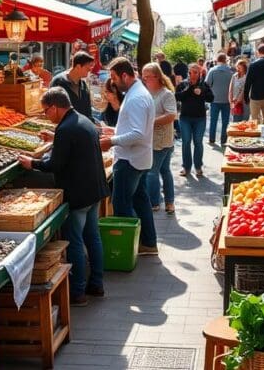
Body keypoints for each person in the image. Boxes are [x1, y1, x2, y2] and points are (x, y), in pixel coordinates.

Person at [18, 87, 109, 306]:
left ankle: (77, 292)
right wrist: (55, 137)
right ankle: (97, 284)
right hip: (94, 190)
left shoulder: (66, 129)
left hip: (78, 194)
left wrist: (33, 163)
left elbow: (55, 165)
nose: (46, 115)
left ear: (56, 107)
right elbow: (74, 145)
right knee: (93, 237)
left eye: (46, 111)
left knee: (75, 242)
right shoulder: (82, 120)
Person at [98, 57, 158, 255]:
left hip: (130, 160)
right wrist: (114, 132)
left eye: (114, 77)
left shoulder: (135, 98)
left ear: (125, 75)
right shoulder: (137, 93)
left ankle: (129, 247)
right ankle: (148, 243)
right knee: (141, 201)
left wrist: (112, 141)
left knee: (122, 204)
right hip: (138, 158)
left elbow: (138, 133)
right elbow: (135, 129)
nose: (113, 82)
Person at [142, 63, 178, 215]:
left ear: (156, 77)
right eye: (143, 77)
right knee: (164, 170)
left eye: (147, 77)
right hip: (151, 139)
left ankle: (154, 203)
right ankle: (169, 202)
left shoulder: (166, 94)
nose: (144, 79)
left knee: (152, 172)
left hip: (161, 140)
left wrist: (150, 121)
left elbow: (171, 115)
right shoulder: (146, 92)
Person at [175, 63, 214, 177]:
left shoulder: (204, 85)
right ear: (188, 72)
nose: (193, 75)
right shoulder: (183, 84)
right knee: (186, 142)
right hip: (185, 117)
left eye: (196, 72)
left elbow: (211, 98)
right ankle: (186, 167)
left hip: (199, 118)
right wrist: (189, 89)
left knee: (198, 142)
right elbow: (177, 97)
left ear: (200, 73)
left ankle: (198, 166)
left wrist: (202, 93)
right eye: (191, 72)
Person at [50, 51, 95, 122]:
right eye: (87, 68)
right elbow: (53, 107)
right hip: (65, 126)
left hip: (81, 126)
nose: (90, 70)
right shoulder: (58, 82)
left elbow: (88, 110)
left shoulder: (83, 84)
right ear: (78, 66)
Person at [205, 53, 234, 145]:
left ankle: (212, 139)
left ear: (217, 60)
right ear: (225, 60)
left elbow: (207, 83)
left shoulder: (212, 70)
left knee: (213, 120)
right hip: (226, 99)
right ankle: (223, 140)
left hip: (215, 99)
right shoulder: (230, 71)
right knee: (225, 121)